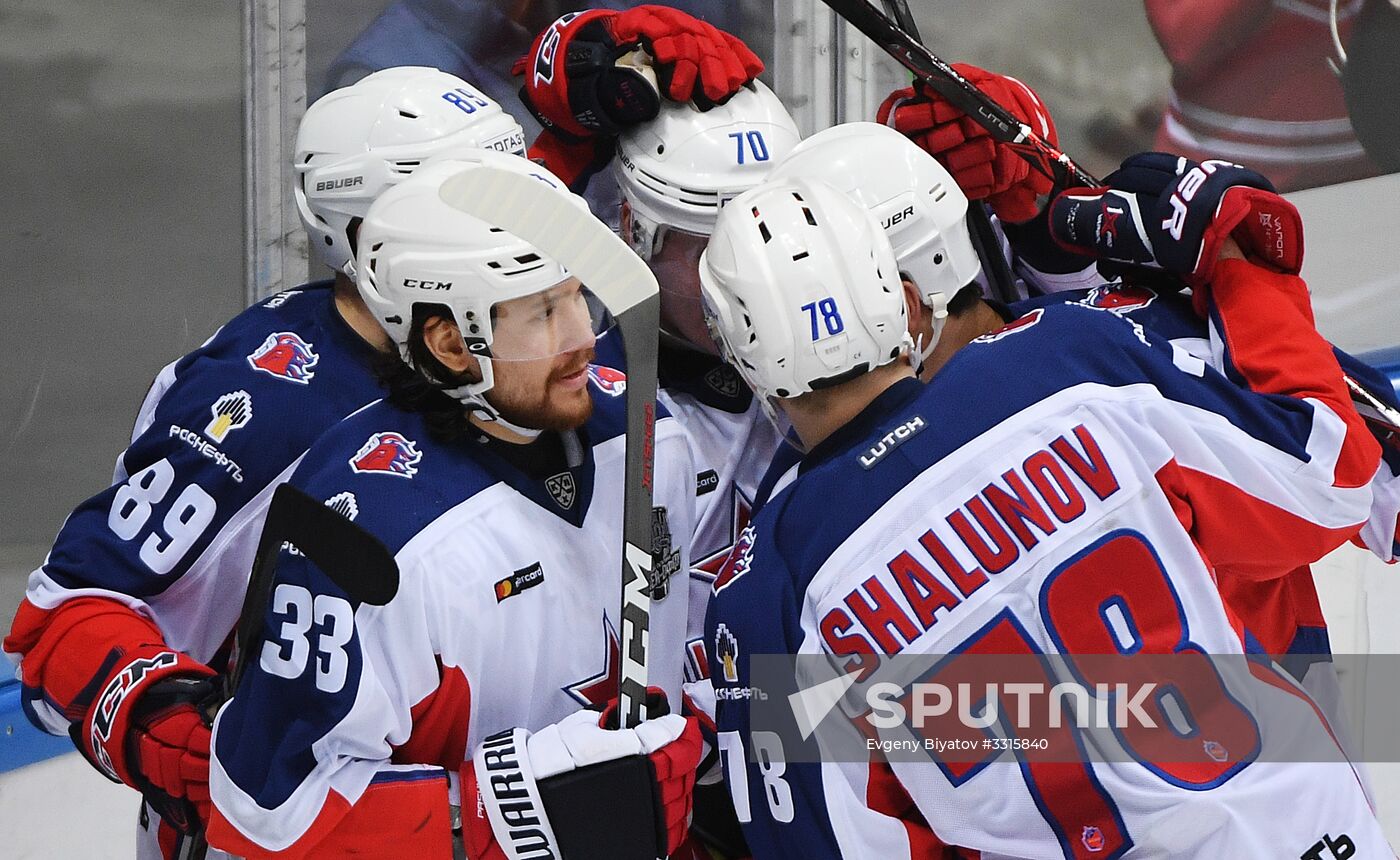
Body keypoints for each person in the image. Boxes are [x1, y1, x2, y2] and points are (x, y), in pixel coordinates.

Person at [698, 162, 1386, 856]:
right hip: (1304, 832)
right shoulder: (1068, 359)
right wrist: (1236, 264)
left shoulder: (768, 593)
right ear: (906, 302)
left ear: (743, 357)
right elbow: (1330, 481)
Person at [1, 67, 533, 859]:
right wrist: (166, 727)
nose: (526, 223)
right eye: (478, 199)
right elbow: (67, 613)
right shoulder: (270, 400)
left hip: (505, 808)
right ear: (375, 233)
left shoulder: (549, 357)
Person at [206, 155, 702, 860]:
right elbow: (264, 812)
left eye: (576, 297)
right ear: (449, 343)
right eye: (541, 312)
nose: (584, 335)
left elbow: (713, 663)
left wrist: (715, 732)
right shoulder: (362, 533)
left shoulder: (656, 438)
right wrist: (508, 809)